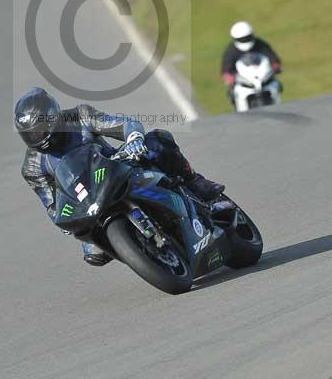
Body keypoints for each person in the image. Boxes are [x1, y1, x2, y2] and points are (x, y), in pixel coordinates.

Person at [14, 87, 225, 267]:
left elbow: (121, 124)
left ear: (53, 117)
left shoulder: (79, 116)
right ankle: (140, 251)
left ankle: (194, 181)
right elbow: (51, 205)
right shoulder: (32, 167)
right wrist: (64, 222)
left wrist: (133, 137)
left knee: (158, 141)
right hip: (88, 203)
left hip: (119, 168)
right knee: (93, 251)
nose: (37, 137)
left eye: (40, 130)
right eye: (30, 135)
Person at [221, 21, 281, 102]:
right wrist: (229, 77)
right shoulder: (231, 50)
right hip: (243, 81)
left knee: (275, 84)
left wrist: (275, 67)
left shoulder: (260, 44)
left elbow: (273, 58)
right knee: (233, 92)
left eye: (247, 38)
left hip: (262, 77)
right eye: (242, 39)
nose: (245, 40)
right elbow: (226, 68)